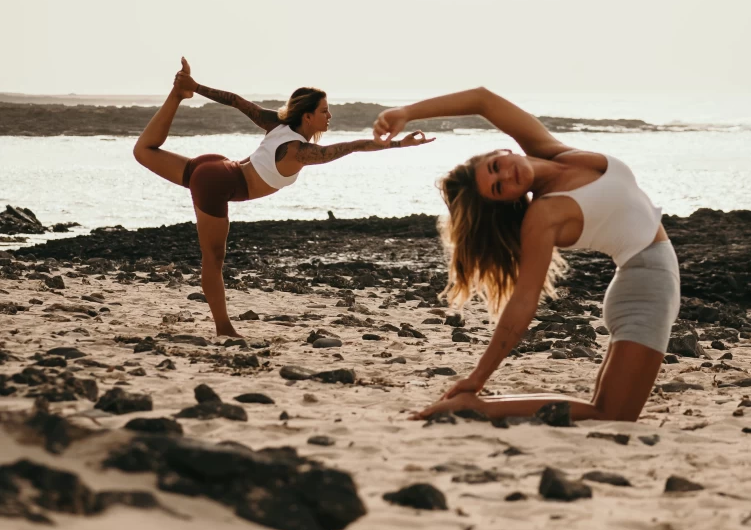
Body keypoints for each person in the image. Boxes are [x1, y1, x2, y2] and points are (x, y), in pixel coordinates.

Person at [373, 88, 680, 422]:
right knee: (613, 414)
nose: (507, 175)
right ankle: (476, 406)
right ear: (506, 201)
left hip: (646, 282)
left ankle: (477, 406)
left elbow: (483, 100)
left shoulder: (554, 152)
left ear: (501, 151)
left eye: (496, 166)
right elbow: (523, 301)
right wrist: (478, 377)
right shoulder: (544, 215)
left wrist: (406, 112)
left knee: (609, 408)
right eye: (499, 187)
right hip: (646, 292)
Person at [134, 59, 431, 338]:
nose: (329, 116)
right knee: (213, 259)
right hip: (217, 183)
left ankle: (178, 94)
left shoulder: (277, 125)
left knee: (143, 151)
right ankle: (224, 328)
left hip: (216, 168)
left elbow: (236, 100)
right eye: (325, 111)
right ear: (308, 116)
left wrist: (195, 87)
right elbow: (351, 146)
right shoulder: (298, 151)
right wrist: (397, 145)